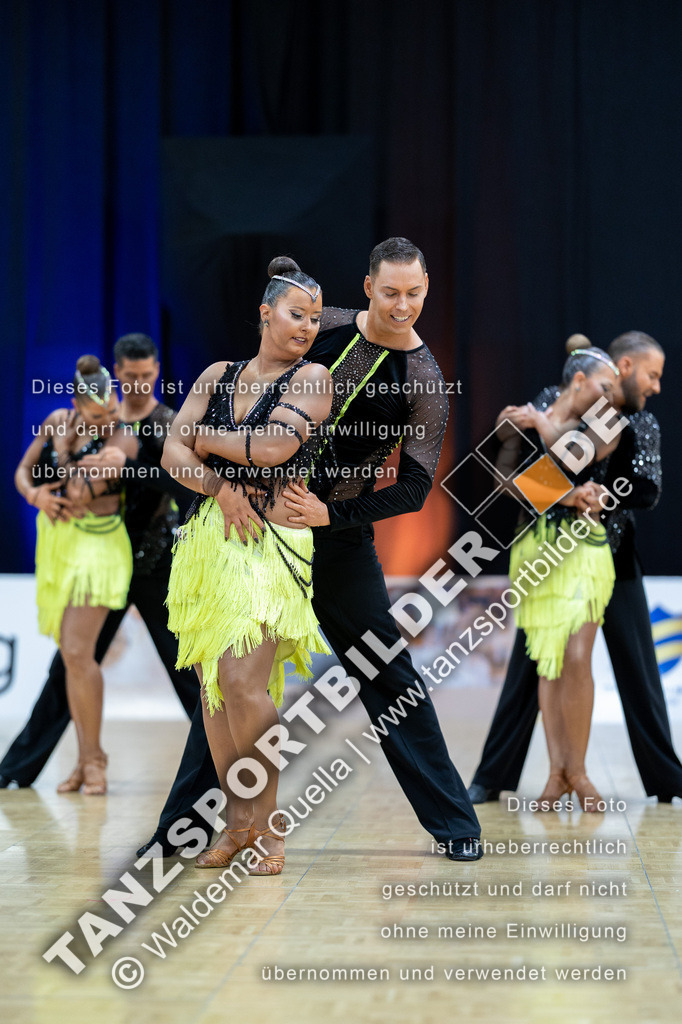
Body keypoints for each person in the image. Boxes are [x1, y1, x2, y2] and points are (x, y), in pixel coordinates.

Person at [137, 237, 483, 863]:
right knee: (228, 678)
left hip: (338, 540)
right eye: (390, 292)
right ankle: (184, 831)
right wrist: (219, 475)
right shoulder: (326, 327)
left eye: (414, 293)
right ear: (369, 287)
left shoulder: (424, 378)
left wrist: (334, 514)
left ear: (426, 289)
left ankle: (455, 824)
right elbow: (263, 370)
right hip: (255, 529)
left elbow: (414, 488)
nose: (402, 305)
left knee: (386, 672)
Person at [160, 256, 333, 876]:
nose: (308, 327)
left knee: (242, 683)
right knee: (214, 690)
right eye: (297, 314)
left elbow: (275, 448)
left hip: (270, 543)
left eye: (315, 318)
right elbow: (170, 451)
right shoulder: (218, 375)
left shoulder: (313, 378)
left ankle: (271, 824)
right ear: (266, 313)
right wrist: (218, 486)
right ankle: (237, 825)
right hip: (211, 541)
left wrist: (205, 443)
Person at [468, 332, 681, 804]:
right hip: (544, 549)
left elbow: (645, 488)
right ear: (621, 368)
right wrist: (509, 432)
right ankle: (498, 775)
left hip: (609, 552)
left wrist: (602, 497)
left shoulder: (633, 420)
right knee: (536, 665)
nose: (656, 386)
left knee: (635, 669)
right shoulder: (557, 398)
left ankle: (666, 779)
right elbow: (516, 476)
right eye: (652, 375)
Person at [0, 335, 199, 791]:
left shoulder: (163, 423)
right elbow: (34, 472)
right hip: (94, 554)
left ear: (157, 371)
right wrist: (37, 491)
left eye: (147, 375)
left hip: (150, 560)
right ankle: (22, 767)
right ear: (117, 372)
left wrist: (124, 467)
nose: (139, 383)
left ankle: (223, 761)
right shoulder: (93, 416)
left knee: (185, 666)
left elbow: (184, 484)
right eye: (131, 376)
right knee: (70, 662)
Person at [496, 347, 621, 810]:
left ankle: (580, 771)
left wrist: (539, 425)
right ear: (579, 380)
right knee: (548, 660)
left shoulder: (607, 422)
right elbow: (502, 481)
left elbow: (574, 456)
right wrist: (509, 429)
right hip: (534, 548)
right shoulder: (528, 416)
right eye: (605, 386)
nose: (611, 396)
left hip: (583, 547)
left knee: (578, 654)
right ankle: (556, 773)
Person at [13, 355, 138, 794]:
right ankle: (86, 759)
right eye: (97, 415)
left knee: (78, 652)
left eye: (112, 410)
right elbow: (22, 472)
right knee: (72, 657)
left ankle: (95, 759)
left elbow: (80, 491)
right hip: (60, 545)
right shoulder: (56, 420)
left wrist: (66, 452)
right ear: (76, 405)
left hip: (100, 549)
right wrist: (35, 497)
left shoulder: (121, 439)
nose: (108, 420)